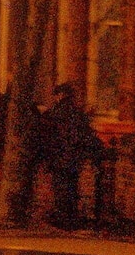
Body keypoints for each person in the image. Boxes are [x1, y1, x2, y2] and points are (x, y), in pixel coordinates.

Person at [36, 82, 104, 231]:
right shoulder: (78, 114)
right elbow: (87, 136)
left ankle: (62, 218)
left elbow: (45, 136)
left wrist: (46, 157)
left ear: (60, 96)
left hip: (57, 158)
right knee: (72, 188)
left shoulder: (53, 114)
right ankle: (71, 218)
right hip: (74, 158)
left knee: (60, 189)